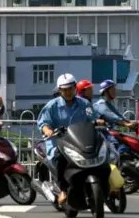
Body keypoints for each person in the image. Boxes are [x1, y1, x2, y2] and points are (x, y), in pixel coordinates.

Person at [37, 73, 102, 205]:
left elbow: (92, 117)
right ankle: (63, 190)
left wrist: (98, 121)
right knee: (60, 159)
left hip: (81, 142)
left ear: (75, 88)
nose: (68, 92)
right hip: (58, 143)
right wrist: (47, 130)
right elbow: (43, 123)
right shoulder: (52, 106)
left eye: (70, 88)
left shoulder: (84, 104)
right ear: (59, 90)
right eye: (64, 90)